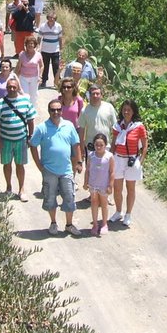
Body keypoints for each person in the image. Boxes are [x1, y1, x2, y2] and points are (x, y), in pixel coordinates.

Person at [29, 100, 84, 236]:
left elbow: (76, 144)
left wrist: (79, 161)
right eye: (53, 110)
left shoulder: (69, 125)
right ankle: (53, 223)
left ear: (62, 111)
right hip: (49, 170)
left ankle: (69, 225)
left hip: (66, 170)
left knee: (69, 197)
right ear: (49, 111)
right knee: (50, 197)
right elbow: (33, 145)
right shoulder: (42, 128)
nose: (56, 112)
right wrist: (39, 165)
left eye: (58, 109)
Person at [0, 78, 36, 201]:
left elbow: (31, 120)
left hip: (21, 140)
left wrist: (30, 136)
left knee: (20, 165)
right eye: (9, 87)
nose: (11, 89)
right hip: (6, 140)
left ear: (18, 88)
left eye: (14, 87)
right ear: (6, 88)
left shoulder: (25, 102)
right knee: (7, 164)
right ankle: (9, 187)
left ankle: (21, 189)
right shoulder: (0, 103)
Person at [110, 99, 148, 227]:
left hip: (132, 160)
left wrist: (140, 161)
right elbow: (114, 144)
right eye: (124, 109)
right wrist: (110, 159)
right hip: (118, 159)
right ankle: (118, 212)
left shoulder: (139, 127)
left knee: (130, 188)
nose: (126, 112)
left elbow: (144, 146)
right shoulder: (117, 126)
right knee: (117, 188)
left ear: (133, 112)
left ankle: (128, 214)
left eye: (129, 110)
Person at [78, 84, 117, 205]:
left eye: (97, 93)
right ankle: (92, 195)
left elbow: (115, 127)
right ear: (89, 95)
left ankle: (106, 194)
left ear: (101, 95)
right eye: (93, 94)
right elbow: (81, 130)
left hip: (107, 146)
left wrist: (114, 144)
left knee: (107, 171)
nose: (95, 96)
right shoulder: (85, 110)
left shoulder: (109, 107)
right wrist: (81, 147)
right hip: (91, 147)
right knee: (92, 170)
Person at [83, 133, 115, 236]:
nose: (99, 147)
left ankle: (104, 224)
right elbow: (87, 170)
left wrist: (110, 186)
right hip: (93, 184)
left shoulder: (109, 156)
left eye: (101, 145)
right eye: (97, 145)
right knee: (94, 203)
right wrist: (85, 182)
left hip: (104, 185)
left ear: (105, 145)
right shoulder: (91, 155)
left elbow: (112, 172)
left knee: (104, 204)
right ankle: (95, 224)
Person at [15, 35, 42, 106]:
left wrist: (40, 76)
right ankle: (24, 108)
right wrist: (15, 76)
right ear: (26, 45)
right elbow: (18, 66)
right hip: (23, 78)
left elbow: (42, 66)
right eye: (29, 43)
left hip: (34, 78)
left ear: (34, 45)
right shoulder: (22, 54)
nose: (30, 45)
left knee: (34, 95)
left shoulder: (38, 55)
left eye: (32, 43)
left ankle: (32, 109)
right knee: (24, 95)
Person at [38, 11, 62, 88]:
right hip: (45, 50)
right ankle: (44, 81)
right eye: (50, 18)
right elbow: (39, 37)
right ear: (47, 18)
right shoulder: (43, 26)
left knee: (56, 66)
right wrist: (38, 46)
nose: (51, 19)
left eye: (53, 18)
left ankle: (57, 82)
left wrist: (61, 48)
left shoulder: (58, 26)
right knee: (45, 66)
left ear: (55, 19)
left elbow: (60, 38)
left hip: (55, 50)